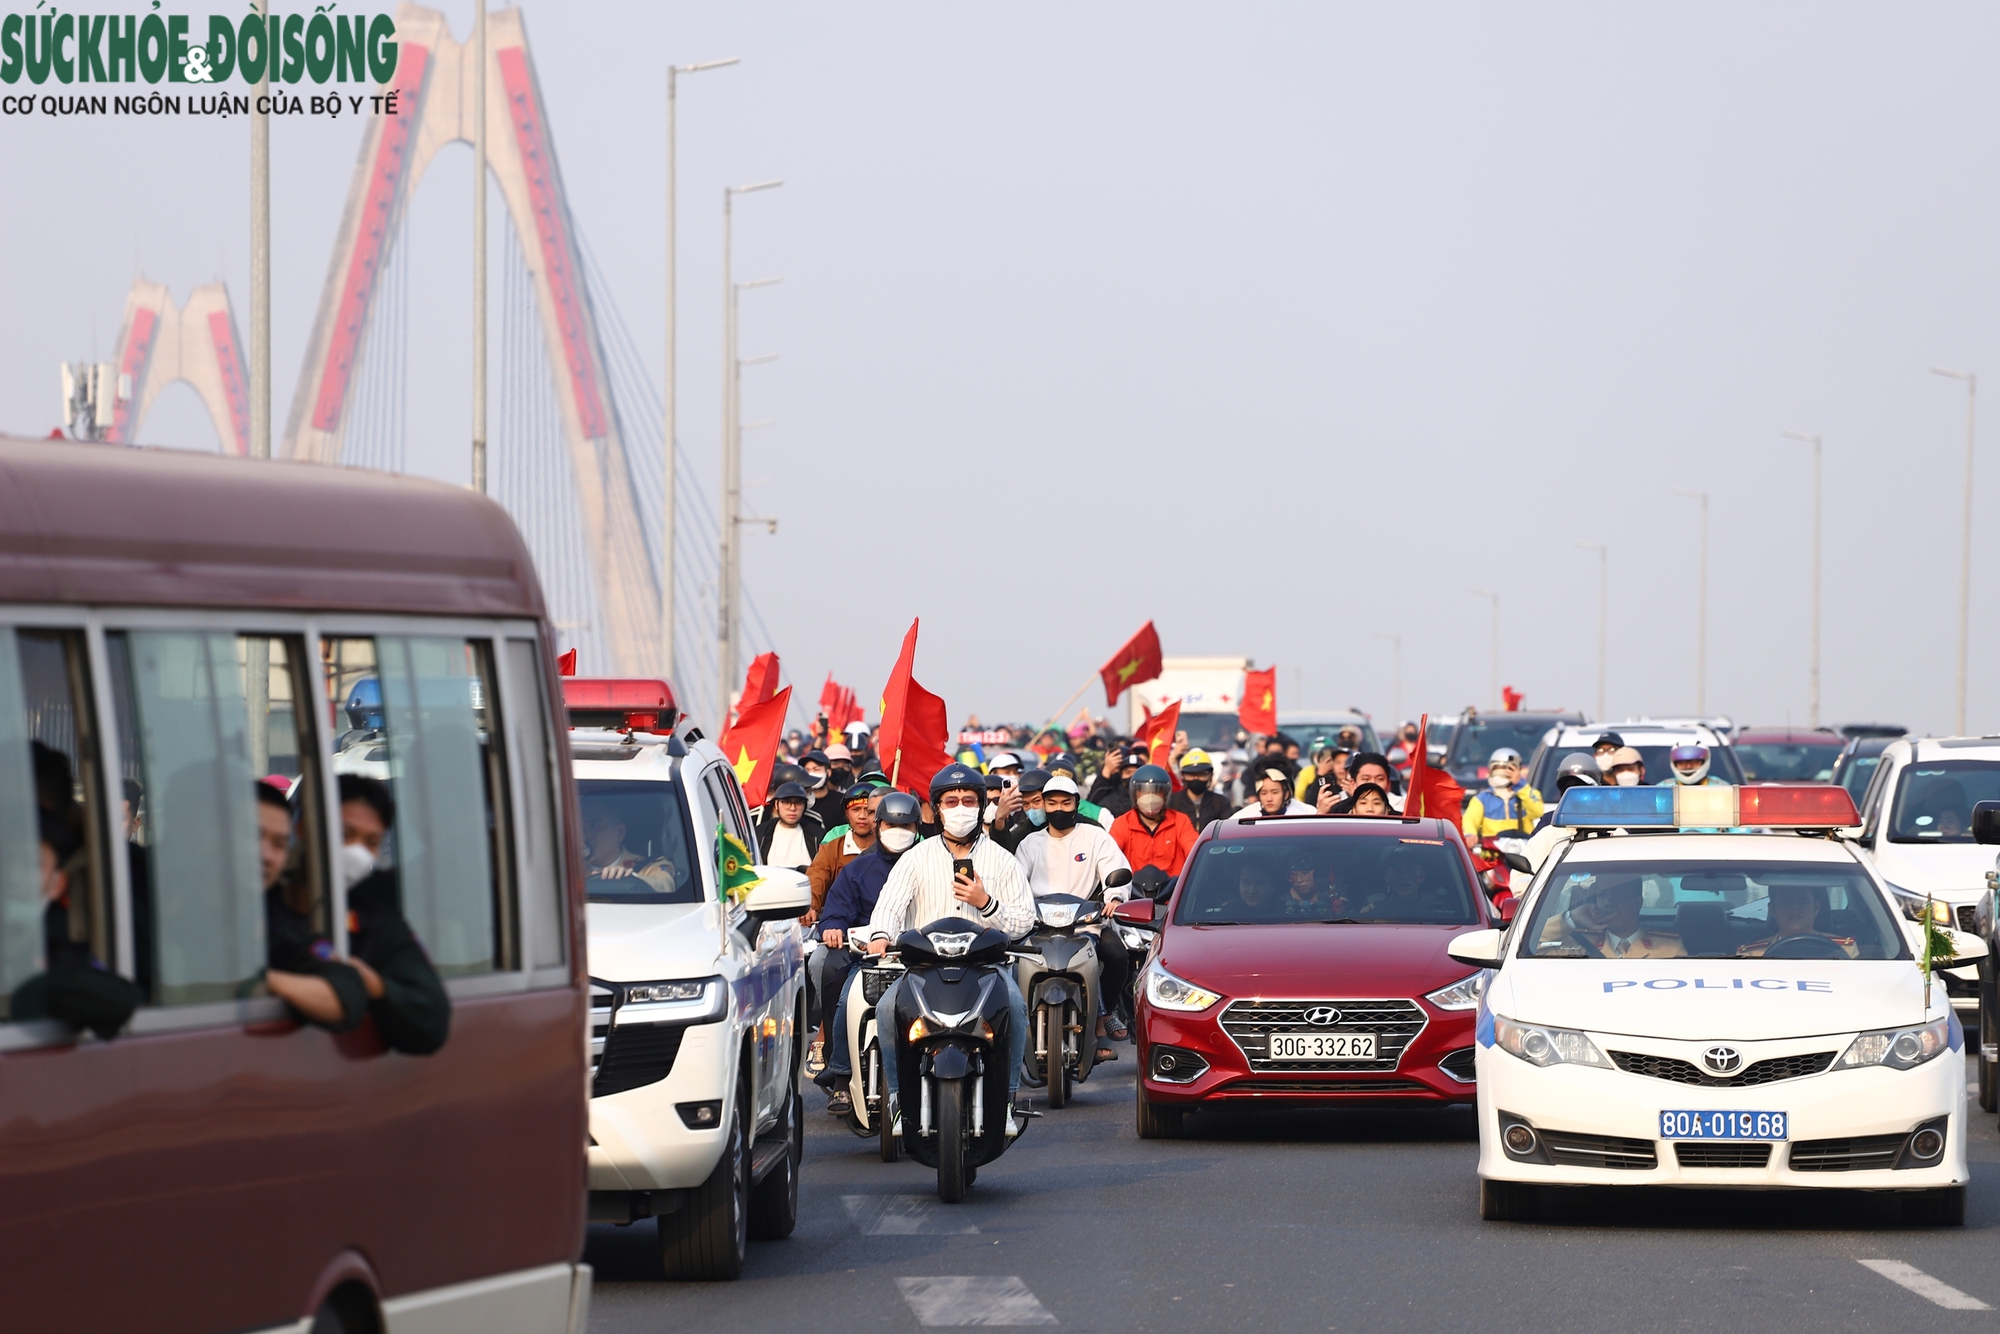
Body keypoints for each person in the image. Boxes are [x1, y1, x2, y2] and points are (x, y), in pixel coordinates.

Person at [861, 764, 1035, 1135]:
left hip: (987, 969)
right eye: (951, 801)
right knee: (888, 1009)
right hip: (923, 969)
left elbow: (1024, 922)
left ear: (981, 805)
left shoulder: (1003, 860)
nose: (960, 808)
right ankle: (896, 1099)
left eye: (968, 800)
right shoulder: (915, 858)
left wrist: (986, 902)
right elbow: (889, 907)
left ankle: (1005, 1101)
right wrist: (880, 936)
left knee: (1016, 1010)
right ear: (936, 809)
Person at [267, 775, 453, 1053]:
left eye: (372, 842)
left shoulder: (374, 918)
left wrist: (377, 987)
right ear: (304, 828)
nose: (358, 853)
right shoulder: (263, 902)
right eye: (344, 835)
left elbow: (431, 1021)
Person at [811, 791, 923, 1113]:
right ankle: (842, 1079)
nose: (897, 830)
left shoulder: (932, 863)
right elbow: (835, 912)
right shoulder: (857, 869)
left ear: (917, 827)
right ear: (877, 825)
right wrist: (831, 927)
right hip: (871, 959)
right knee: (848, 1002)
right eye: (890, 823)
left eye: (906, 825)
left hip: (922, 960)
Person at [1014, 773, 1133, 1056]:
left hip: (1084, 925)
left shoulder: (1094, 837)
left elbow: (1116, 871)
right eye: (1051, 803)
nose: (1058, 809)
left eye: (1065, 803)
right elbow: (1014, 883)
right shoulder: (1030, 843)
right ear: (1042, 804)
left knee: (1117, 955)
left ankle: (1103, 1019)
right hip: (1039, 926)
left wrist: (1114, 897)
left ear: (1076, 804)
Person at [1537, 874, 1684, 958]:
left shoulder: (1669, 948)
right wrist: (1572, 918)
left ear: (1637, 902)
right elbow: (1529, 949)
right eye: (1602, 895)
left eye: (1619, 894)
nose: (1608, 902)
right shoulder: (1577, 944)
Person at [1110, 765, 1199, 880]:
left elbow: (1194, 853)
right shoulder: (1122, 824)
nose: (1150, 797)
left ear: (1166, 795)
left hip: (1173, 892)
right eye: (1144, 791)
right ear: (1135, 794)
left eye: (1156, 791)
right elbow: (1109, 856)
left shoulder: (1180, 821)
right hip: (1134, 893)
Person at [807, 783, 878, 922]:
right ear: (846, 813)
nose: (862, 816)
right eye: (856, 809)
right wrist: (809, 906)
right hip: (839, 924)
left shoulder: (890, 848)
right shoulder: (832, 849)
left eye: (869, 811)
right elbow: (816, 876)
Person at [1736, 883, 1859, 958]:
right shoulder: (1751, 954)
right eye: (1785, 900)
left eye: (1802, 900)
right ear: (1772, 910)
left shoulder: (1845, 949)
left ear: (1816, 907)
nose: (1794, 907)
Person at [580, 802, 678, 891]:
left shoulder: (648, 866)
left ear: (619, 832)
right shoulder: (570, 869)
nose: (583, 835)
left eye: (594, 826)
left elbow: (665, 885)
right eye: (578, 827)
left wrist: (628, 878)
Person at [1462, 748, 1543, 840]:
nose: (1502, 773)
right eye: (1497, 768)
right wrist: (1470, 835)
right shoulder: (1482, 799)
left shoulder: (1527, 793)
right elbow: (1469, 820)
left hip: (1522, 849)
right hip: (1492, 851)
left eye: (1508, 769)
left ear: (1518, 770)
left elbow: (1538, 811)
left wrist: (1520, 785)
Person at [1356, 846, 1451, 919]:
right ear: (1386, 875)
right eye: (1397, 870)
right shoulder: (1371, 906)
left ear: (1422, 876)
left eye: (1411, 870)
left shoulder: (1440, 908)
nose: (1404, 877)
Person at [755, 781, 825, 873]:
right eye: (786, 802)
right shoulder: (760, 833)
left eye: (798, 803)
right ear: (776, 804)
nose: (792, 808)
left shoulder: (817, 834)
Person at [1319, 753, 1404, 815]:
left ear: (1388, 785)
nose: (1372, 783)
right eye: (1366, 779)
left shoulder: (1400, 818)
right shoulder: (1336, 813)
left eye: (1380, 779)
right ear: (1353, 783)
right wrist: (1321, 813)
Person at [1170, 749, 1233, 831]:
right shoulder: (1172, 802)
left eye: (1201, 774)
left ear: (1210, 775)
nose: (1196, 778)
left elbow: (1227, 832)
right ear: (1183, 776)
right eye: (1191, 774)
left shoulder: (1221, 802)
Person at [1232, 766, 1315, 820]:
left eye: (1274, 792)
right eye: (1264, 793)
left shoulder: (1301, 819)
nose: (1269, 799)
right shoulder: (1248, 819)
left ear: (1286, 795)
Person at [1660, 744, 1727, 787]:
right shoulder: (1663, 789)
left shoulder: (1722, 788)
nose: (1688, 766)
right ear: (1674, 763)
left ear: (1705, 761)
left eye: (1694, 762)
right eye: (1682, 762)